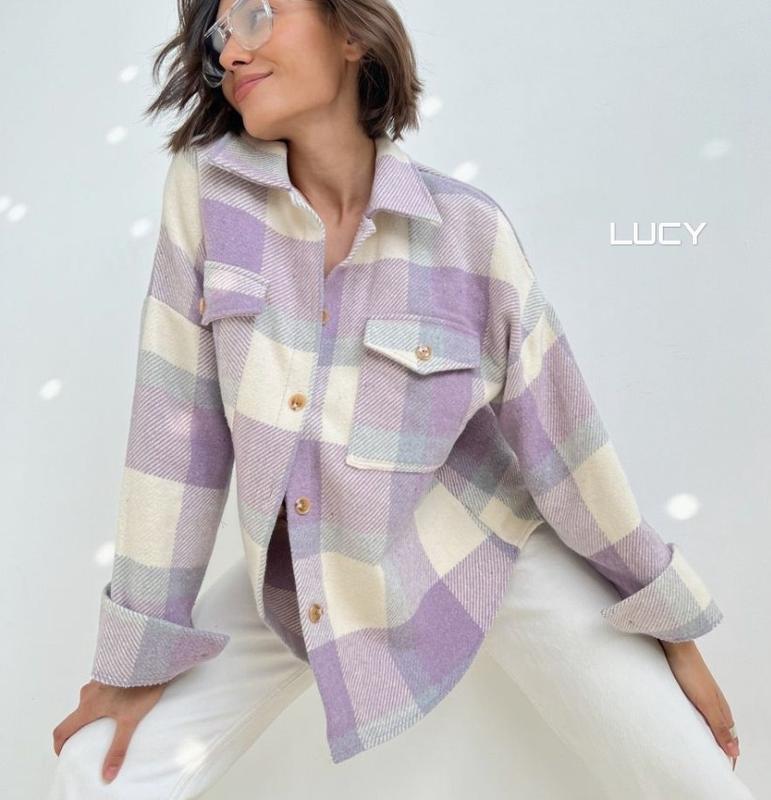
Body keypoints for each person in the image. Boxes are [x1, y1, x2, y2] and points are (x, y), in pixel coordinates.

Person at [48, 1, 756, 797]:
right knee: (94, 768)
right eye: (218, 37)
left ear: (350, 32)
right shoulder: (208, 193)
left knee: (697, 781)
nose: (230, 53)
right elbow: (174, 438)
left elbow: (565, 446)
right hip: (302, 565)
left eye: (255, 15)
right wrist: (138, 657)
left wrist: (669, 626)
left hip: (479, 542)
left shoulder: (468, 232)